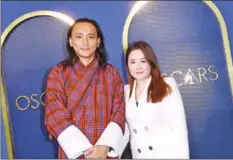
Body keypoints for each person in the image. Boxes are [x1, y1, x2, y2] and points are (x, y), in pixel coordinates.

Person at [45, 18, 125, 159]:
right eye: (79, 37)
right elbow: (54, 113)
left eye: (90, 37)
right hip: (73, 153)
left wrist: (104, 147)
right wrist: (83, 149)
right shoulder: (58, 72)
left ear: (98, 41)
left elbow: (119, 111)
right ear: (71, 41)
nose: (85, 43)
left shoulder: (111, 72)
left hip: (104, 153)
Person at [119, 41, 189, 159]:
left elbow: (179, 127)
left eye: (143, 61)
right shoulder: (126, 91)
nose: (138, 67)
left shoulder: (167, 84)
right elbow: (127, 130)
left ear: (151, 63)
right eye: (132, 62)